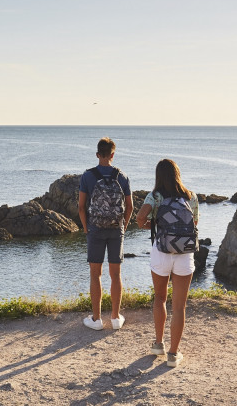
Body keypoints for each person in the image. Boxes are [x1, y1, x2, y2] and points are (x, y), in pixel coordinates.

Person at [135, 158, 198, 367]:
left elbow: (140, 218)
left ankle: (158, 344)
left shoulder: (154, 196)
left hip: (161, 252)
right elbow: (194, 223)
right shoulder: (191, 197)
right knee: (179, 305)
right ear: (177, 174)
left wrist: (154, 227)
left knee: (160, 298)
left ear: (158, 176)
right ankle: (173, 354)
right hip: (184, 254)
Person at [78, 137, 133, 331]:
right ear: (112, 154)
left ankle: (96, 319)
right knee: (115, 274)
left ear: (97, 154)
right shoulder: (122, 177)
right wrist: (123, 227)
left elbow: (81, 207)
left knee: (96, 274)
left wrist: (86, 228)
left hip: (95, 228)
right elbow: (130, 207)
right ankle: (116, 318)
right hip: (116, 229)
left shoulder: (88, 176)